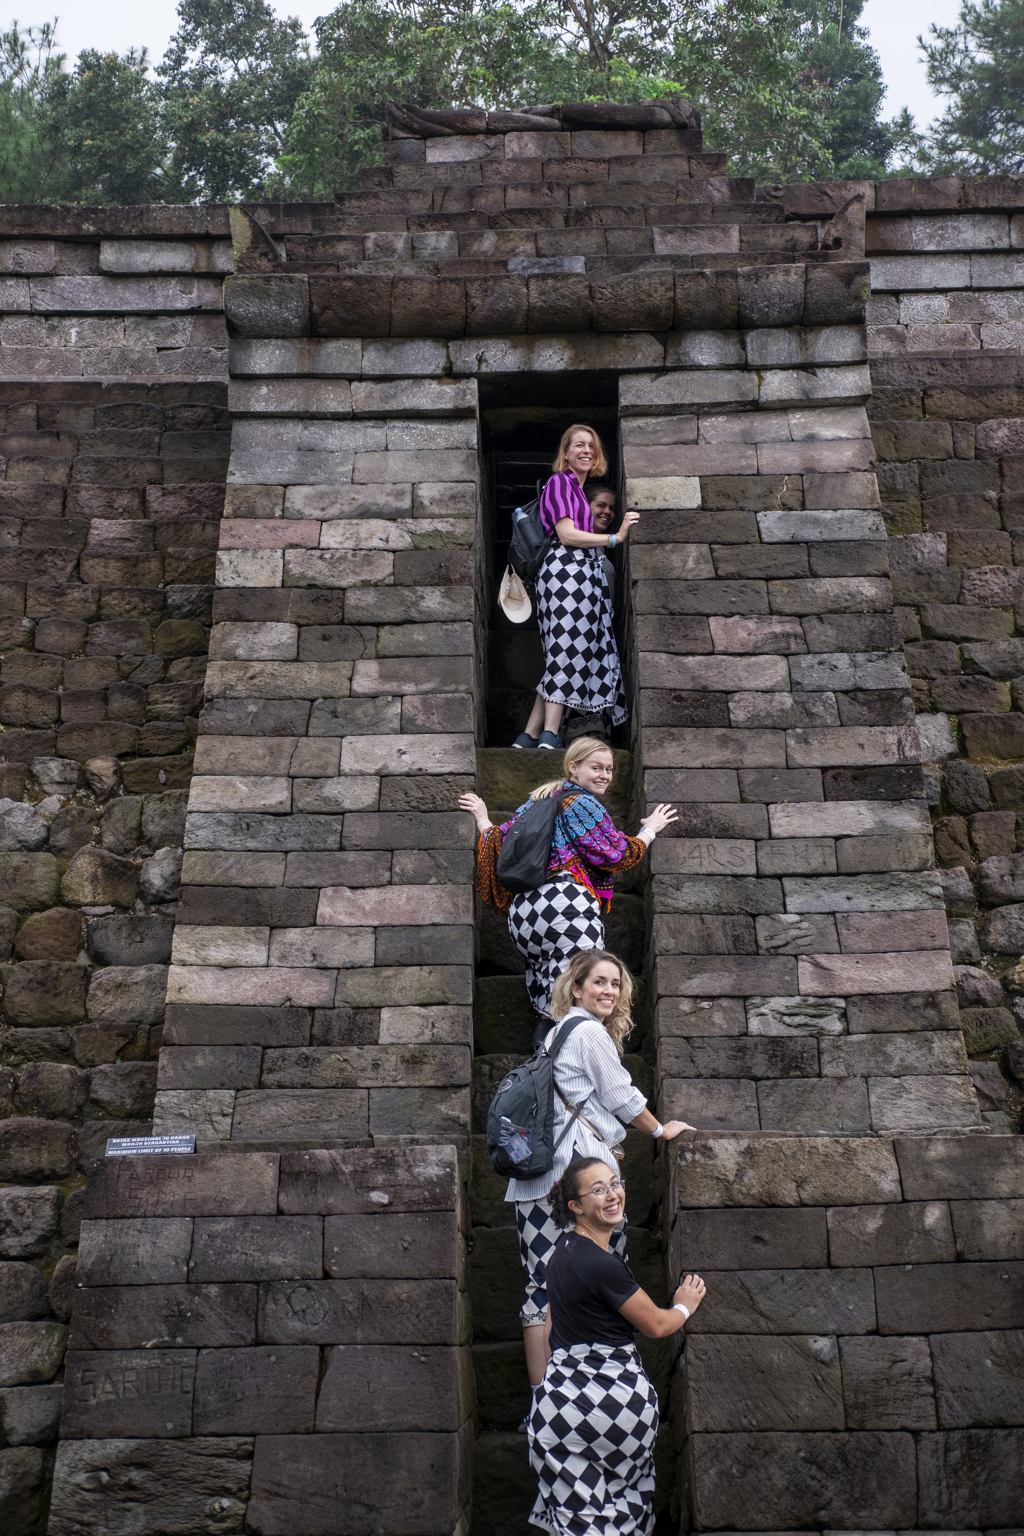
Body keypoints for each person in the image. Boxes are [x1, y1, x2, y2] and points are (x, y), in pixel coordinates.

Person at [502, 948, 695, 1399]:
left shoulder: (553, 1035)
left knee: (542, 1285)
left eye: (615, 983)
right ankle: (603, 1386)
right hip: (579, 1173)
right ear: (577, 988)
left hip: (533, 1177)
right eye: (599, 982)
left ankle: (544, 1397)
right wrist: (659, 1129)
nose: (609, 990)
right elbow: (621, 1095)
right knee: (604, 1272)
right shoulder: (588, 1033)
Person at [529, 1153, 707, 1536]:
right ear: (575, 1206)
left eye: (615, 1183)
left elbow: (547, 1330)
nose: (612, 1195)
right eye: (598, 1190)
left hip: (559, 1412)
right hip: (614, 1408)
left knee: (580, 1523)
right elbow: (658, 1326)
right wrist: (684, 1306)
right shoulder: (602, 1264)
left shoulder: (560, 1255)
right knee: (624, 1513)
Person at [460, 737, 677, 1029]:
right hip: (565, 908)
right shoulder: (583, 803)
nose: (604, 775)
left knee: (550, 1004)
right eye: (596, 768)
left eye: (609, 769)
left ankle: (543, 1069)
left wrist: (483, 820)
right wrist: (648, 830)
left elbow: (500, 843)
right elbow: (617, 854)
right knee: (581, 1001)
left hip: (524, 918)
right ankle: (579, 1071)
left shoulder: (535, 802)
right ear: (573, 768)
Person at [513, 425, 637, 752]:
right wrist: (615, 537)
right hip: (565, 568)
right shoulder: (560, 483)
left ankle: (527, 735)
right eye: (578, 445)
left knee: (562, 651)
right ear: (565, 453)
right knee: (566, 651)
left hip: (578, 572)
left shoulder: (579, 491)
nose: (586, 451)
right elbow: (567, 534)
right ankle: (550, 734)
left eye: (591, 446)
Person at [587, 482, 619, 607]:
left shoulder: (599, 548)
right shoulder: (576, 546)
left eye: (612, 508)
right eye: (601, 505)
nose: (607, 512)